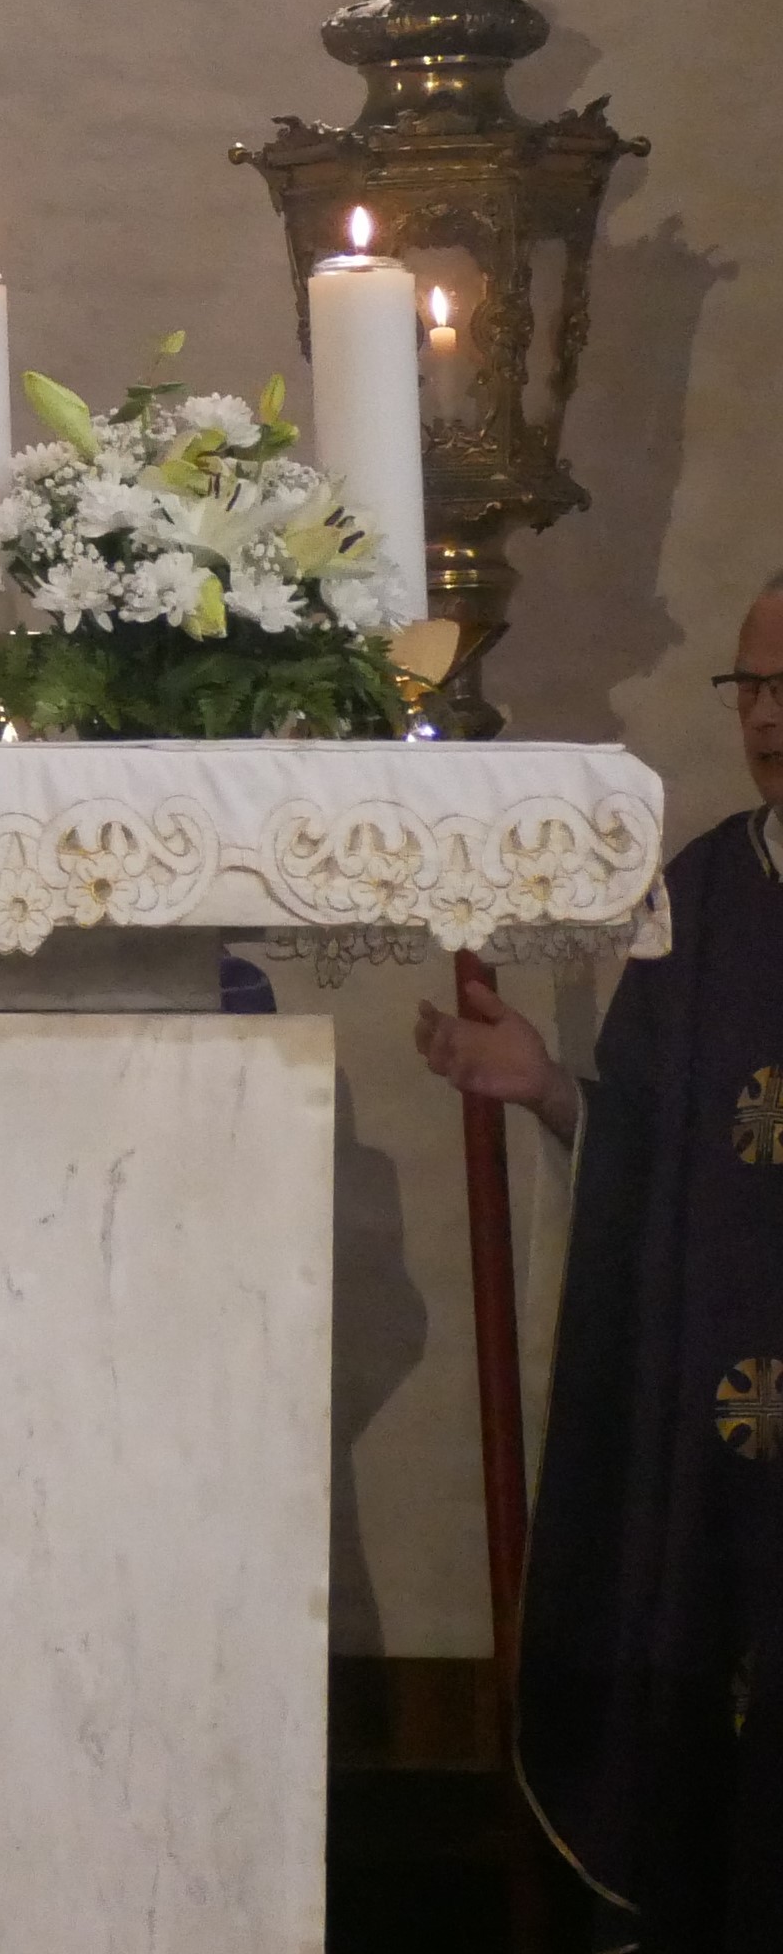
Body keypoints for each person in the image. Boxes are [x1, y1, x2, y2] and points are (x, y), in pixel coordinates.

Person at [419, 574, 783, 1942]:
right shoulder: (699, 896)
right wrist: (550, 1091)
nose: (764, 718)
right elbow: (651, 1143)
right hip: (715, 1428)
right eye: (749, 686)